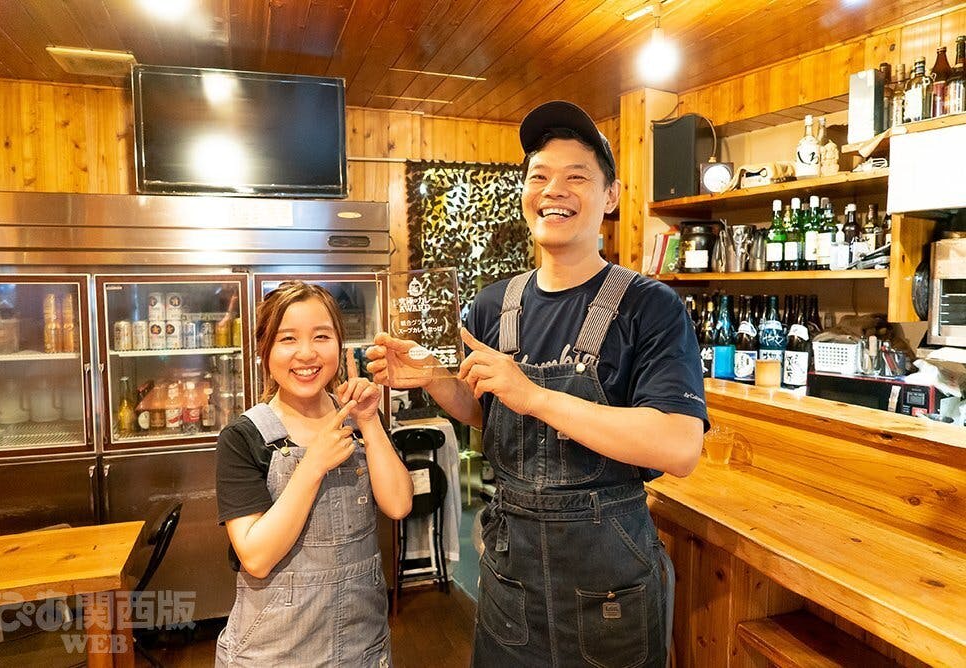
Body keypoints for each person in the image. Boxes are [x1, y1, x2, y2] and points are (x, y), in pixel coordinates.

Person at [367, 100, 708, 667]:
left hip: (612, 592)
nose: (554, 190)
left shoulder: (650, 307)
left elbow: (678, 445)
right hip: (511, 581)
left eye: (577, 177)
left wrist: (536, 395)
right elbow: (486, 412)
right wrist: (435, 379)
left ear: (611, 196)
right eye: (539, 176)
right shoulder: (492, 304)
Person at [215, 281, 413, 667]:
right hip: (274, 653)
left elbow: (399, 504)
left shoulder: (360, 418)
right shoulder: (243, 437)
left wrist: (369, 421)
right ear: (265, 349)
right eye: (288, 339)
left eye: (321, 336)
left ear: (339, 343)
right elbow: (256, 557)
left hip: (362, 646)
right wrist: (313, 465)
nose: (306, 353)